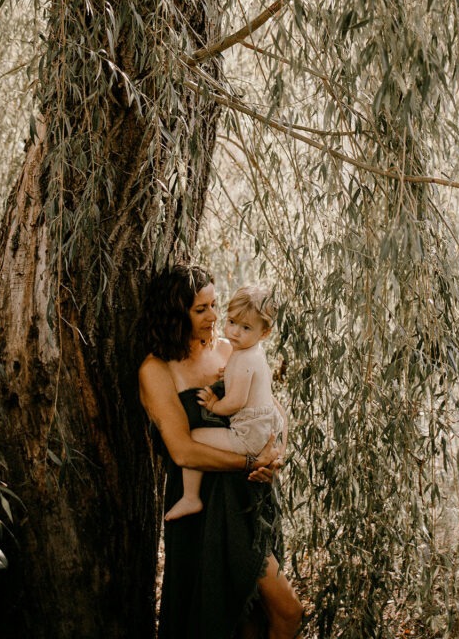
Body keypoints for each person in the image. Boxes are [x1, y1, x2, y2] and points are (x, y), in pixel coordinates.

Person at [138, 265, 303, 639]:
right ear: (174, 312)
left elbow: (271, 410)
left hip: (247, 501)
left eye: (214, 305)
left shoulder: (231, 349)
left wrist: (275, 457)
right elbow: (182, 452)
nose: (214, 316)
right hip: (202, 508)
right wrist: (249, 460)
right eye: (201, 309)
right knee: (261, 613)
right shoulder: (156, 370)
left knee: (255, 620)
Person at [165, 284, 285, 520]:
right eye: (231, 322)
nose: (235, 332)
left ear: (264, 333)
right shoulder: (253, 353)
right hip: (266, 428)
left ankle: (191, 497)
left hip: (249, 435)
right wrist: (228, 375)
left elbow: (236, 402)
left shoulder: (242, 358)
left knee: (196, 437)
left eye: (246, 327)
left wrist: (213, 405)